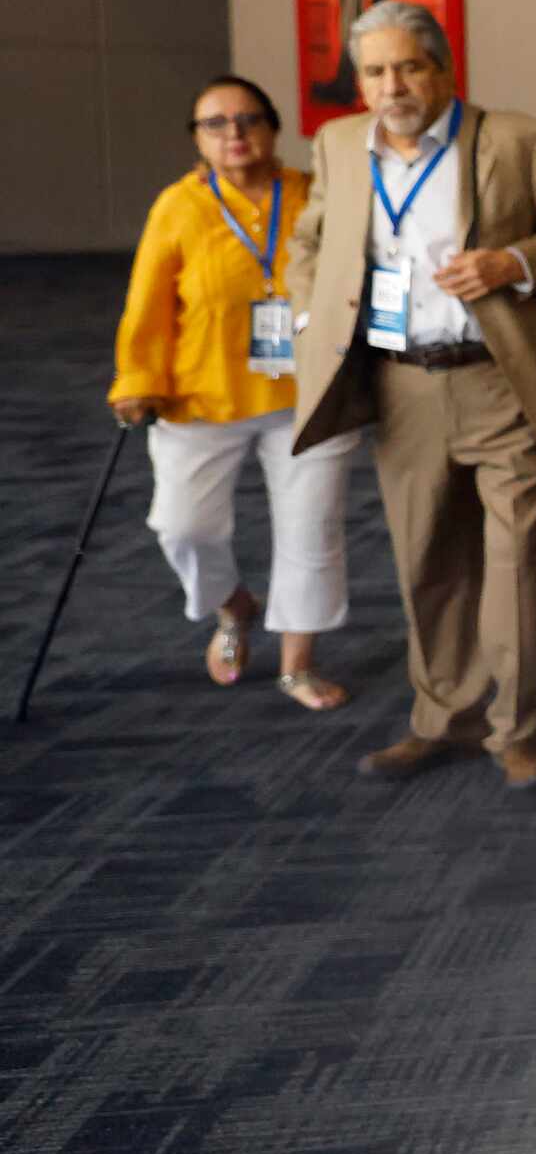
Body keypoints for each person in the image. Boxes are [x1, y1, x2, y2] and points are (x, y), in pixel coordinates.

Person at [288, 0, 536, 790]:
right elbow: (310, 244)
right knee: (426, 560)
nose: (392, 85)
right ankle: (441, 720)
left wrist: (513, 263)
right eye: (374, 71)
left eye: (408, 66)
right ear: (358, 82)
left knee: (517, 562)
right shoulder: (336, 145)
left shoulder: (513, 138)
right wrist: (313, 315)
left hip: (500, 378)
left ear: (442, 69)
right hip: (401, 386)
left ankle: (521, 735)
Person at [109, 75, 360, 709]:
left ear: (274, 127)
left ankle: (296, 665)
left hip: (306, 393)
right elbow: (147, 304)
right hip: (201, 394)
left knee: (311, 530)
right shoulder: (179, 205)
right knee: (182, 527)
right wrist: (138, 380)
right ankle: (233, 607)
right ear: (198, 140)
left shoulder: (311, 192)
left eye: (248, 119)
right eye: (216, 124)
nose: (235, 134)